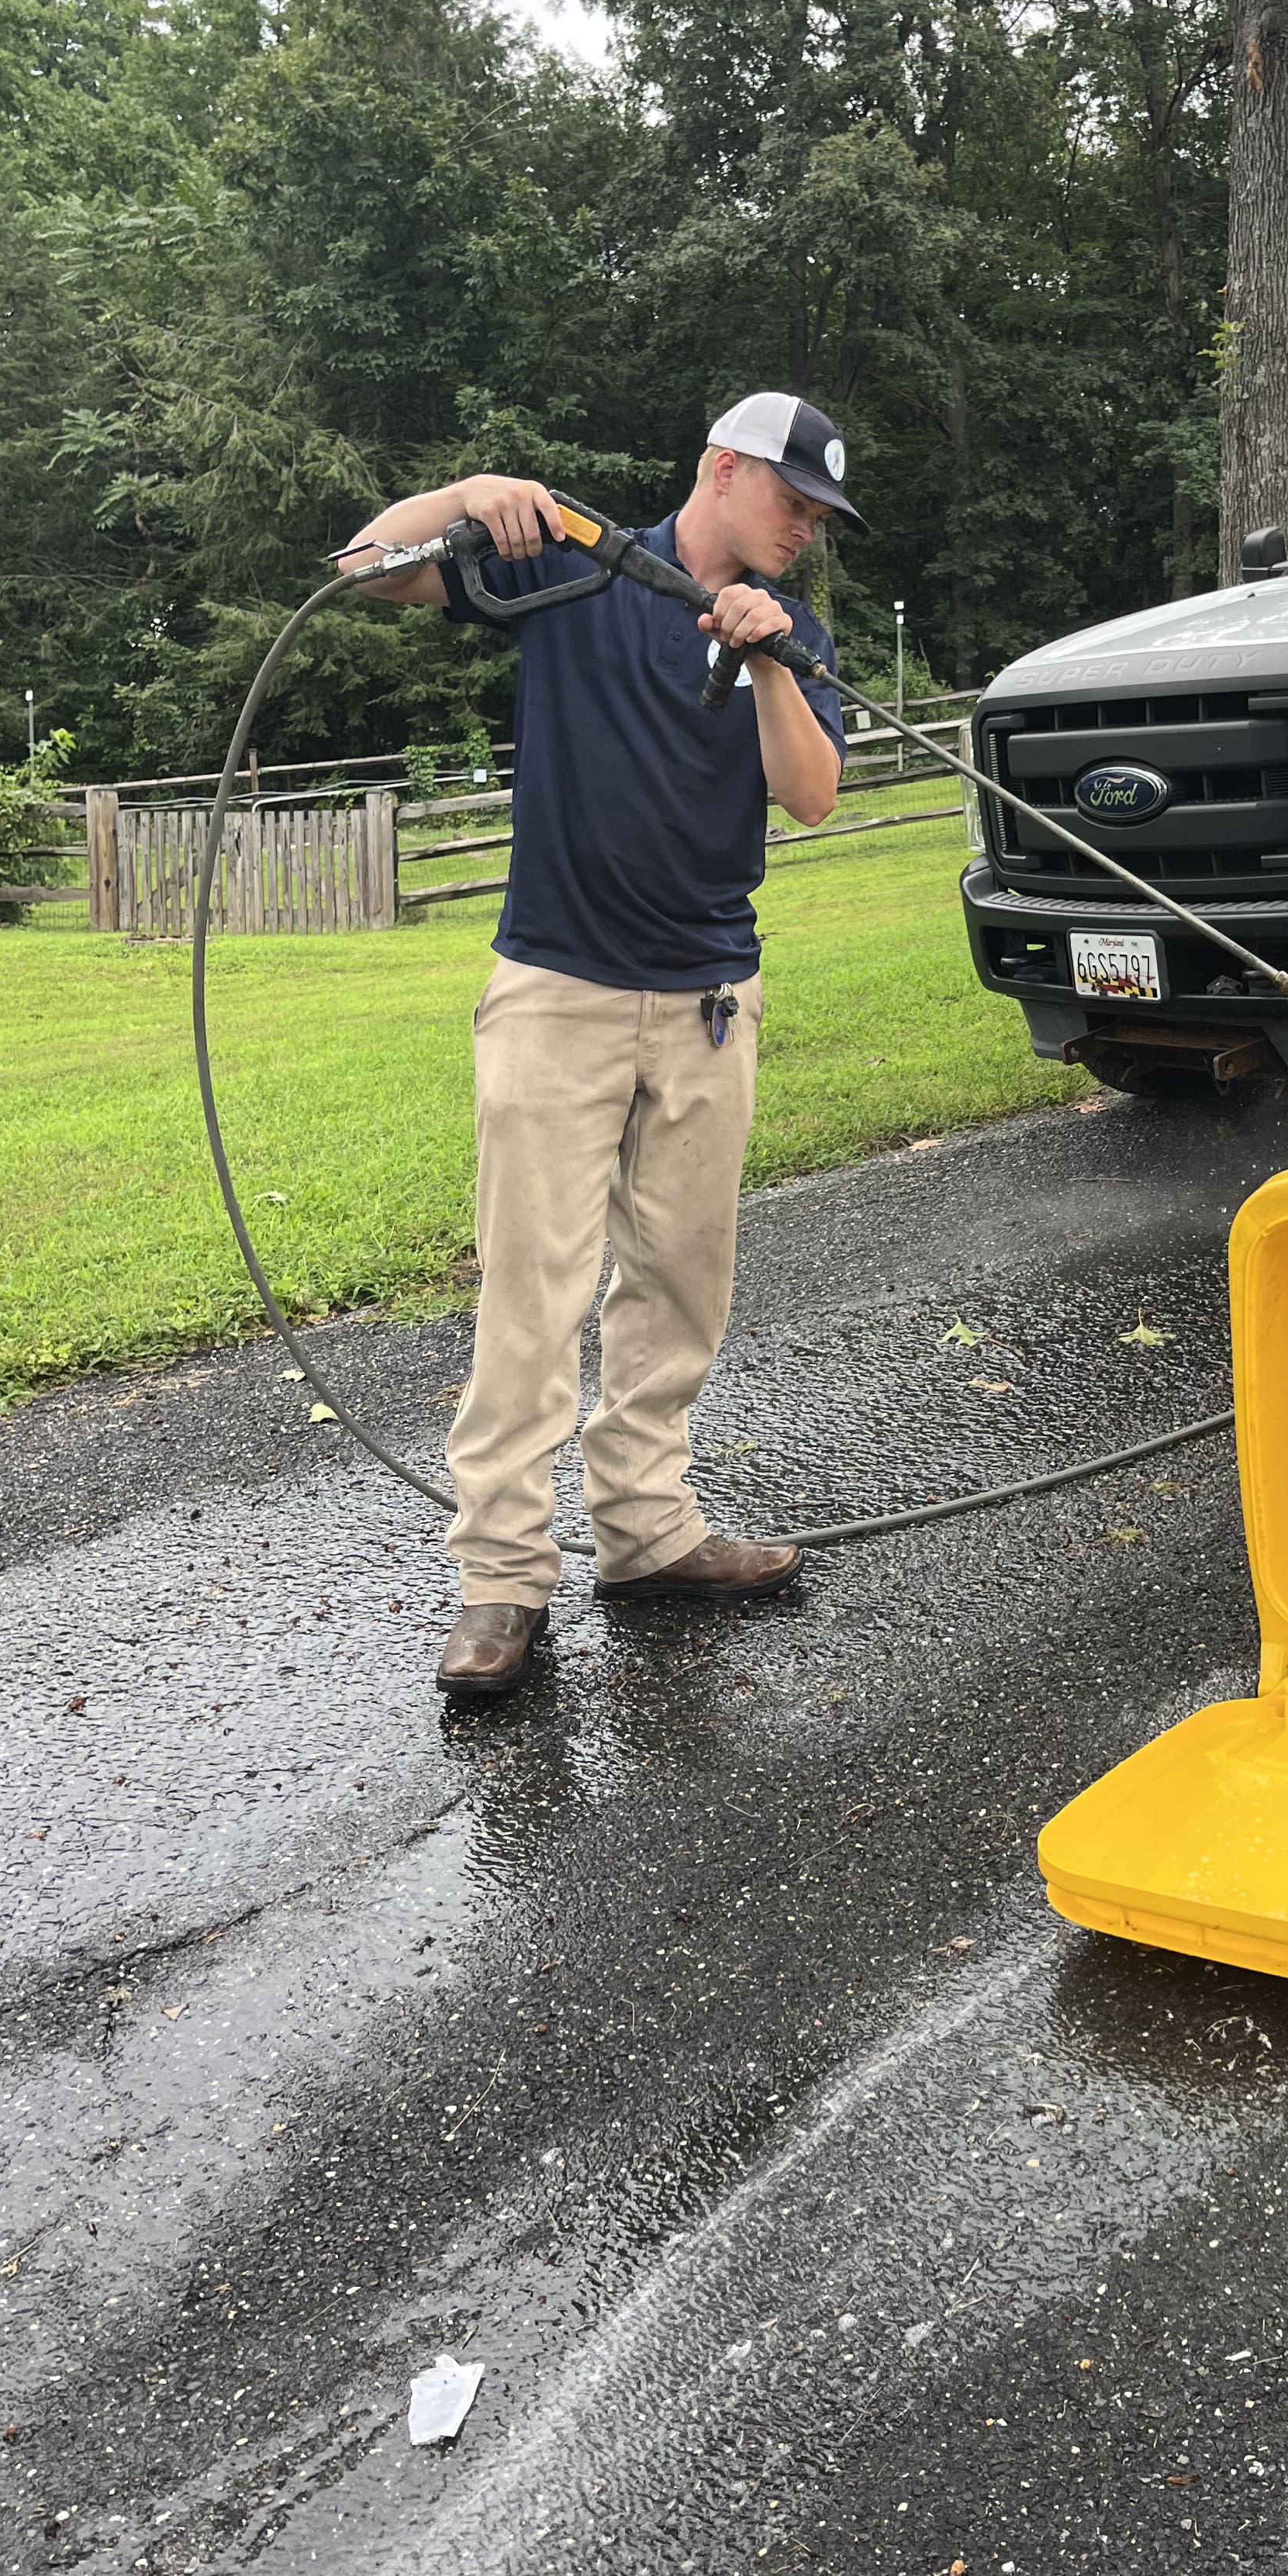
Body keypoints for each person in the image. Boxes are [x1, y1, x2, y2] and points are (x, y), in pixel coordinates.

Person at [338, 394, 859, 1699]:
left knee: (680, 1284)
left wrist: (771, 658)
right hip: (556, 993)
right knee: (537, 1291)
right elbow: (364, 569)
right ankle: (503, 1581)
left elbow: (809, 796)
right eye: (790, 498)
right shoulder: (570, 562)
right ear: (723, 470)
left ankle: (647, 1533)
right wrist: (468, 494)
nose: (805, 525)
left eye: (820, 512)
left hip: (710, 1002)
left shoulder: (794, 632)